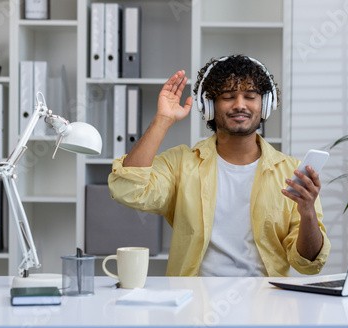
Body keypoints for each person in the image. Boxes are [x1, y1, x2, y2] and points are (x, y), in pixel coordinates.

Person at [108, 55, 330, 277]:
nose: (240, 105)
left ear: (266, 104)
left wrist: (308, 212)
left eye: (250, 96)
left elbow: (308, 264)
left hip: (266, 302)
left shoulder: (292, 173)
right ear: (209, 105)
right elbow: (127, 190)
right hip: (194, 302)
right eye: (228, 97)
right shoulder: (181, 163)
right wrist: (163, 119)